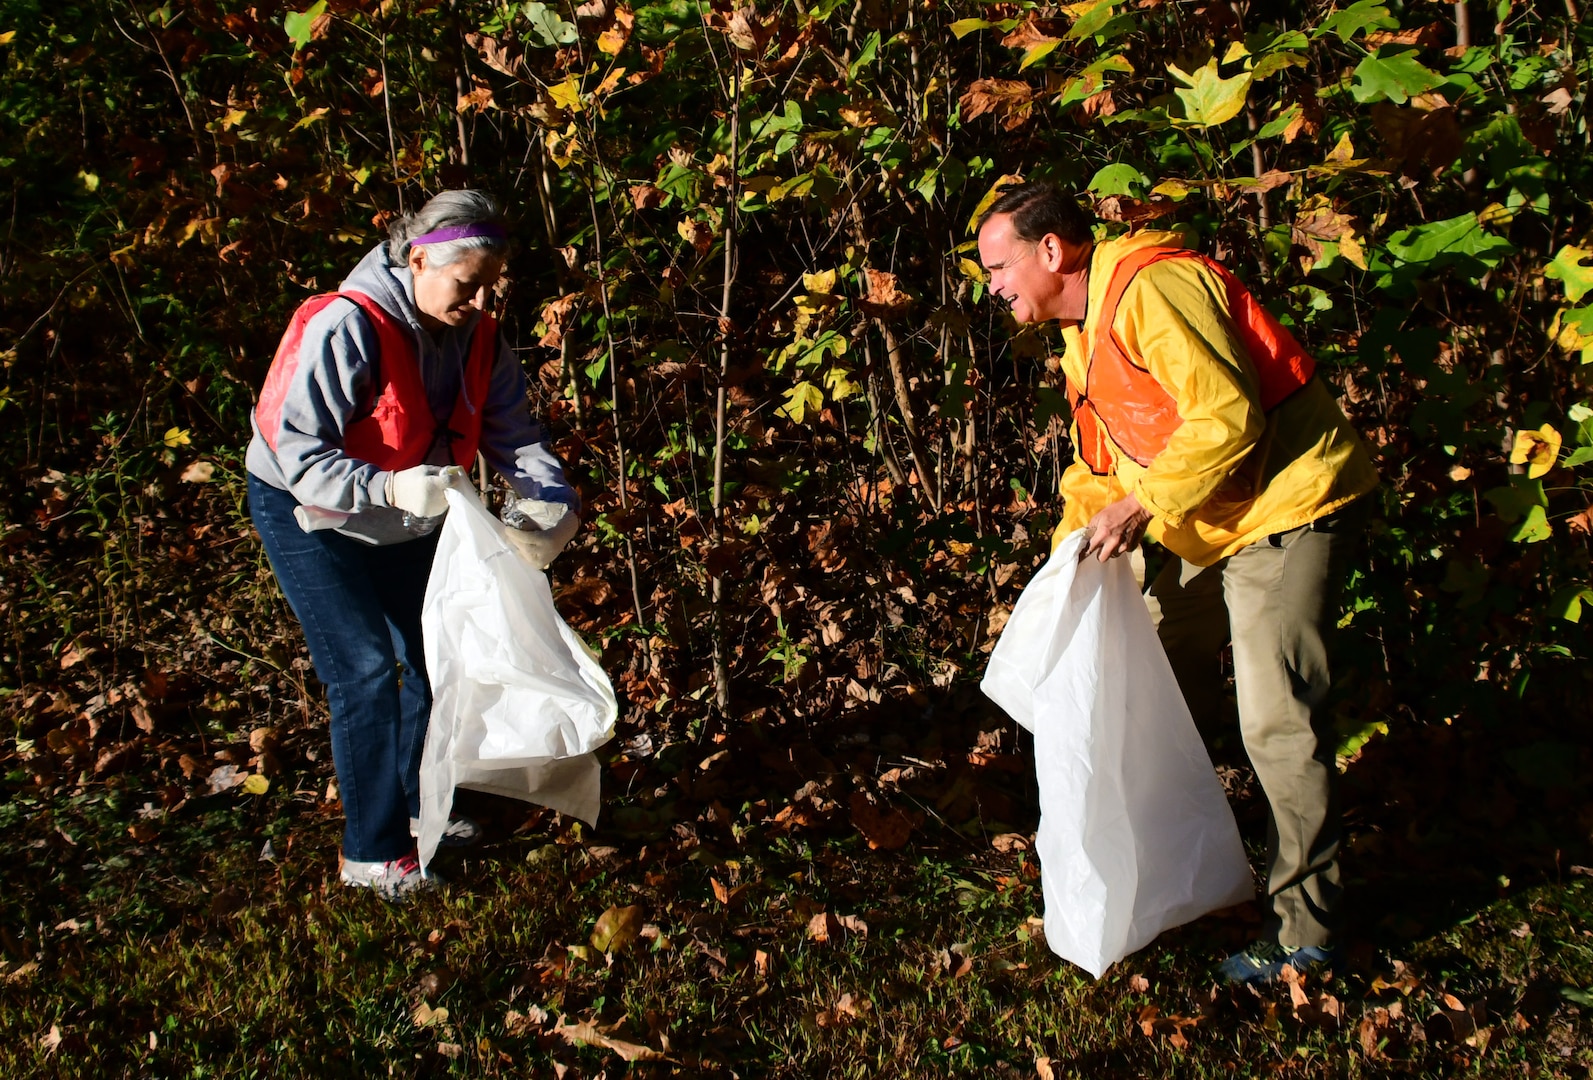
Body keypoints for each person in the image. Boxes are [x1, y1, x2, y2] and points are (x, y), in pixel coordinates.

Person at [977, 181, 1380, 984]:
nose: (993, 287)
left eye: (997, 267)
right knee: (1155, 678)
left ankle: (1306, 936)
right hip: (1207, 518)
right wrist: (1063, 569)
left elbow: (1228, 417)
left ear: (1050, 250)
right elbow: (1102, 466)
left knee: (1277, 723)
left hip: (1285, 505)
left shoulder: (1151, 288)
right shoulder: (1080, 336)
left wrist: (1143, 505)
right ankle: (1183, 876)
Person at [247, 190, 581, 899]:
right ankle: (370, 855)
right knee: (365, 671)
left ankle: (412, 806)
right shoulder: (346, 324)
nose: (483, 300)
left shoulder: (481, 337)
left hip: (406, 516)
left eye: (494, 284)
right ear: (418, 258)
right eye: (469, 284)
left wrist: (551, 505)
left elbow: (516, 437)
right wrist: (390, 489)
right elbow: (301, 453)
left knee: (431, 657)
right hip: (308, 512)